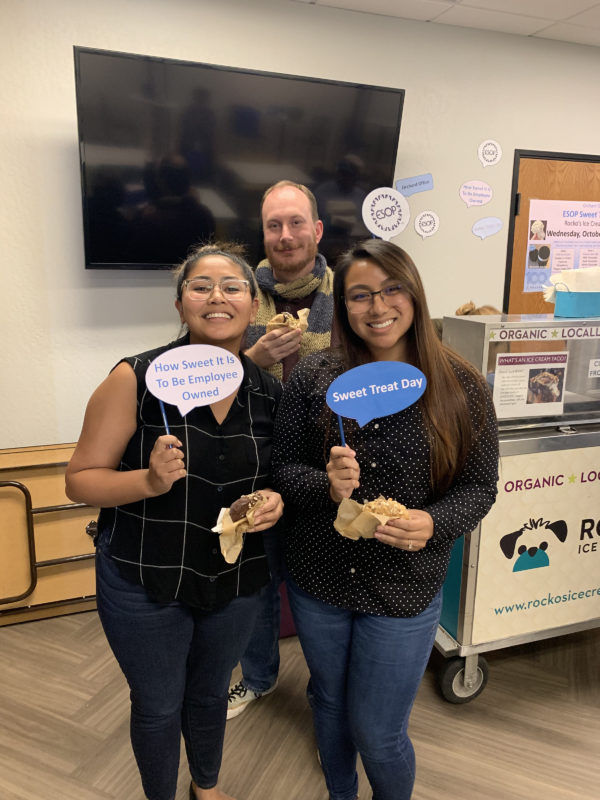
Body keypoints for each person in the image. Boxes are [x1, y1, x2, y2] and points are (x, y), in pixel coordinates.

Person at [271, 239, 499, 800]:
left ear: (415, 293)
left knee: (377, 730)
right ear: (343, 305)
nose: (378, 307)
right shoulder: (316, 375)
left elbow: (479, 488)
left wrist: (434, 522)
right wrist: (325, 486)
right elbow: (281, 469)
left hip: (404, 588)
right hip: (320, 578)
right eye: (360, 295)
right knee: (327, 700)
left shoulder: (461, 384)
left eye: (392, 289)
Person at [65, 243, 284, 800]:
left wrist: (276, 500)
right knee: (159, 704)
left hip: (233, 579)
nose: (217, 297)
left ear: (253, 305)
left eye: (232, 286)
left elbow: (278, 477)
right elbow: (80, 479)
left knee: (210, 694)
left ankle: (205, 787)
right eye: (200, 286)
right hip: (145, 577)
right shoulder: (133, 377)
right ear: (181, 302)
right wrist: (147, 482)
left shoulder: (269, 392)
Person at [227, 181, 337, 719]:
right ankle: (260, 677)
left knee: (325, 593)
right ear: (263, 233)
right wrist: (253, 356)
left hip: (329, 471)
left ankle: (328, 695)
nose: (286, 235)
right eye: (275, 225)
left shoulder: (353, 295)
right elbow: (209, 382)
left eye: (297, 223)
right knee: (255, 583)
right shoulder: (236, 297)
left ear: (316, 230)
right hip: (256, 466)